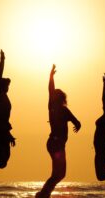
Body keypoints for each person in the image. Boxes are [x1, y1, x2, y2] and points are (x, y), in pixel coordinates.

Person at [36, 64, 81, 198]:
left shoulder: (57, 109)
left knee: (59, 174)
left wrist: (77, 125)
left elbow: (76, 121)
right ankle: (43, 195)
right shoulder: (55, 108)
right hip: (56, 144)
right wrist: (51, 77)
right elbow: (51, 91)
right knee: (59, 174)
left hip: (55, 144)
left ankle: (44, 194)